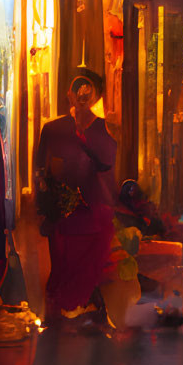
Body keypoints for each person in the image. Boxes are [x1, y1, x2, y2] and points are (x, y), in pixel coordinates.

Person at [35, 67, 117, 324]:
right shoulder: (54, 129)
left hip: (91, 211)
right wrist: (45, 204)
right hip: (61, 211)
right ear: (69, 94)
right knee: (61, 264)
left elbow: (107, 166)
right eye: (77, 90)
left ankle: (79, 305)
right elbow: (41, 169)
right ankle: (63, 310)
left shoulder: (105, 130)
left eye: (87, 91)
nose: (82, 96)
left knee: (86, 263)